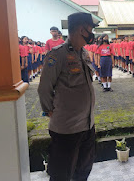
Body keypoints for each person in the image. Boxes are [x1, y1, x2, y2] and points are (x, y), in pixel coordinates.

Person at [38, 12, 97, 181]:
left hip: (87, 125)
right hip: (67, 129)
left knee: (83, 171)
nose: (92, 33)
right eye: (90, 28)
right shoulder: (57, 55)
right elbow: (44, 88)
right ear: (81, 29)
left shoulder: (84, 53)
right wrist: (49, 110)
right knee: (61, 175)